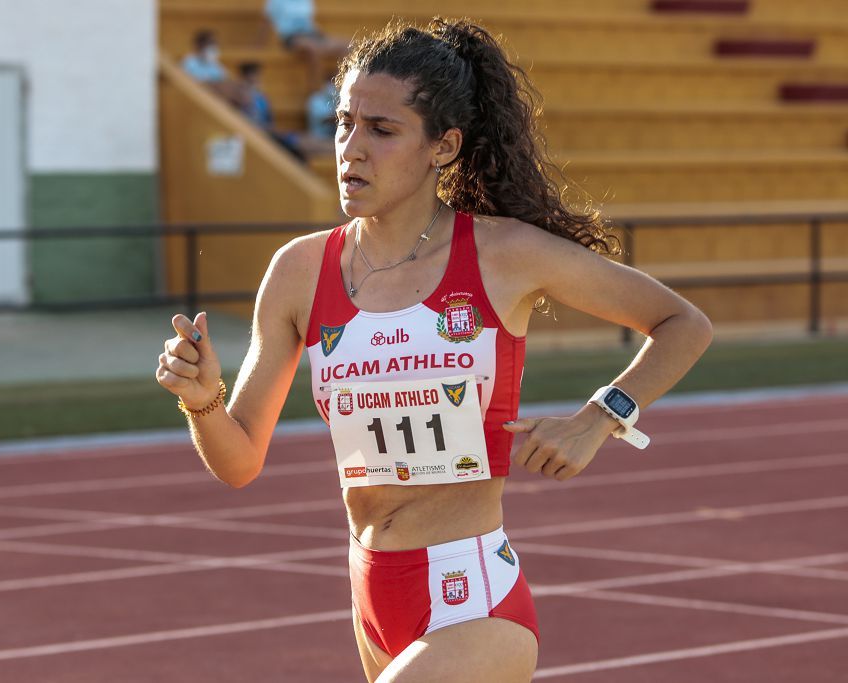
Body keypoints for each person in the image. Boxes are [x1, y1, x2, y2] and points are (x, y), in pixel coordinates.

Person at [157, 17, 713, 683]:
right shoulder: (298, 271)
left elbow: (683, 321)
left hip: (473, 598)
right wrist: (202, 400)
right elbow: (240, 459)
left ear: (442, 147)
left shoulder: (503, 253)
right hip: (371, 593)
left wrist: (600, 416)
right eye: (342, 122)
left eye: (381, 130)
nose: (350, 148)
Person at [263, 0, 348, 84]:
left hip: (312, 34)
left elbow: (309, 21)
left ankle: (333, 82)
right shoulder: (275, 1)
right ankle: (317, 91)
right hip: (291, 36)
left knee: (347, 45)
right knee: (313, 49)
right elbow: (267, 22)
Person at [180, 30, 248, 109]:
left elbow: (227, 81)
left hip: (218, 99)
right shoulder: (188, 62)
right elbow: (187, 85)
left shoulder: (216, 65)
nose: (214, 47)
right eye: (210, 43)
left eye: (215, 44)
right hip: (197, 99)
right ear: (199, 45)